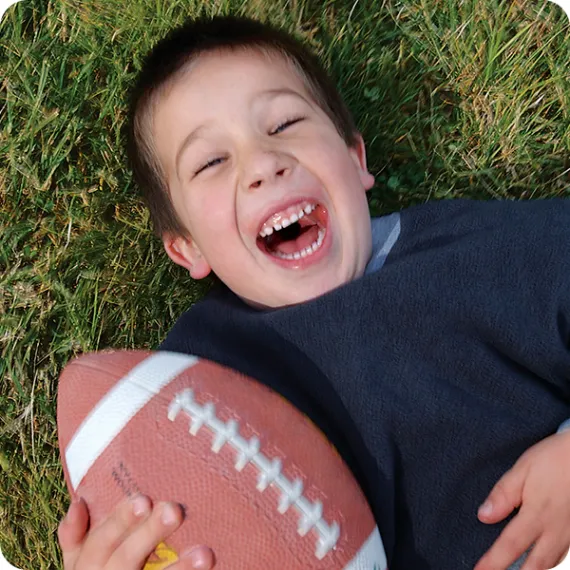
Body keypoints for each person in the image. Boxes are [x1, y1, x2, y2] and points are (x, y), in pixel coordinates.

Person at [57, 13, 570, 570]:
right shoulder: (190, 383)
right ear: (189, 249)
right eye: (211, 161)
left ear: (355, 161)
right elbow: (158, 519)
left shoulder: (475, 256)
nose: (263, 165)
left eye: (283, 125)